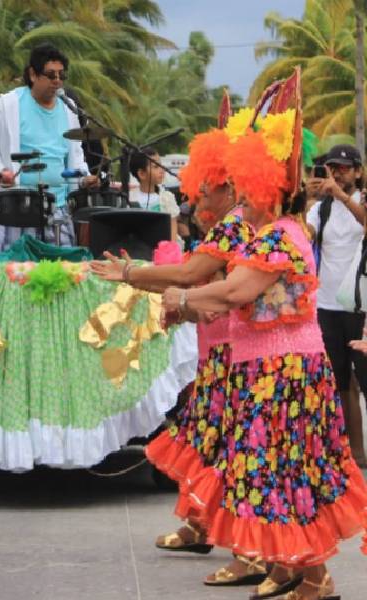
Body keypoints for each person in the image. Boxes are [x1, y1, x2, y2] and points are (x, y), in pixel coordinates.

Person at [162, 94, 367, 600]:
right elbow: (228, 290)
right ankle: (301, 573)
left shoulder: (281, 235)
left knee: (281, 471)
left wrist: (182, 295)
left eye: (246, 190)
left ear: (270, 191)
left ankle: (310, 576)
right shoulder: (269, 232)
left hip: (287, 371)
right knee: (276, 473)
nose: (240, 199)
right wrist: (187, 298)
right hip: (268, 368)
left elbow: (235, 291)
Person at [93, 127, 267, 587]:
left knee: (228, 449)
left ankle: (246, 548)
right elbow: (194, 284)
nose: (198, 196)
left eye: (204, 186)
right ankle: (202, 524)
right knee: (206, 441)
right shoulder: (232, 225)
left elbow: (192, 275)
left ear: (228, 186)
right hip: (221, 349)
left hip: (237, 354)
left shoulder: (237, 225)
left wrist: (130, 272)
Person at [0, 43, 98, 251]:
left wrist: (84, 177)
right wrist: (1, 170)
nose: (57, 81)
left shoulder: (69, 108)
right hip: (18, 207)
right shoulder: (9, 104)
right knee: (17, 272)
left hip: (59, 208)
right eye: (51, 75)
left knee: (63, 270)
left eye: (61, 76)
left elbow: (75, 153)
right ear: (33, 74)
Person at [305, 144, 367, 468]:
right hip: (327, 305)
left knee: (365, 379)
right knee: (341, 382)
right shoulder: (320, 208)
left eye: (343, 168)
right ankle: (354, 453)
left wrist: (342, 197)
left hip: (362, 308)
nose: (337, 173)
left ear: (357, 171)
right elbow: (304, 235)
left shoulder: (361, 199)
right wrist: (304, 198)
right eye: (331, 167)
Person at [129, 147, 180, 241]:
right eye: (156, 167)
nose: (162, 170)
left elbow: (172, 234)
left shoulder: (166, 198)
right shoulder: (129, 198)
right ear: (141, 174)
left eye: (161, 165)